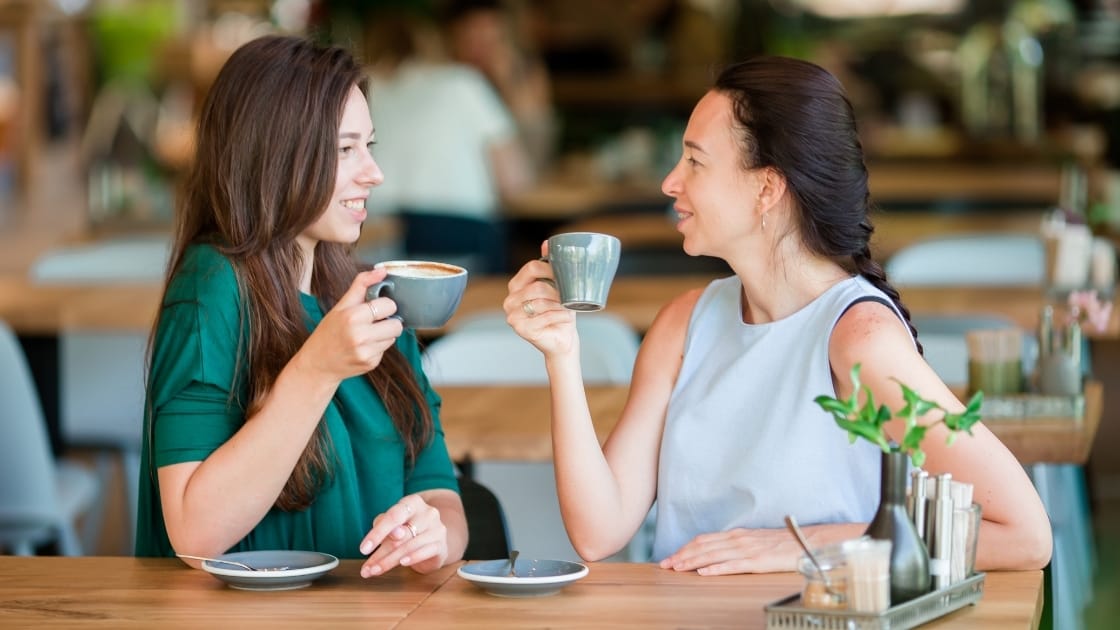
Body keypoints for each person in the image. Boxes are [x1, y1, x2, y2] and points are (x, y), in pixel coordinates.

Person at [502, 56, 1053, 575]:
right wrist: (563, 356)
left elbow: (1025, 535)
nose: (671, 182)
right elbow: (599, 532)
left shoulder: (859, 339)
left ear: (766, 187)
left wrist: (804, 545)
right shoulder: (682, 326)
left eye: (694, 160)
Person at [135, 34, 467, 578]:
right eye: (344, 149)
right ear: (275, 155)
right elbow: (194, 535)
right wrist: (318, 368)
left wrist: (434, 535)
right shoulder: (211, 290)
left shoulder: (375, 294)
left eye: (370, 146)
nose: (373, 173)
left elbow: (440, 493)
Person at [363, 9, 534, 274]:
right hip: (456, 232)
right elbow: (514, 182)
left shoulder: (358, 90)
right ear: (436, 44)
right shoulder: (462, 82)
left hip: (374, 233)